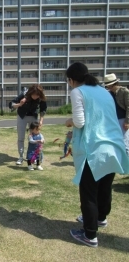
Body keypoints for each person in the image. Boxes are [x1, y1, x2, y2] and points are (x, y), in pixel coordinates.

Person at [65, 62, 129, 248]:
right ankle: (100, 218)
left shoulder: (78, 91)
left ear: (71, 80)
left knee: (89, 192)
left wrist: (69, 121)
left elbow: (79, 121)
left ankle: (89, 234)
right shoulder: (103, 91)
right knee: (104, 187)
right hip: (113, 146)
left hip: (93, 149)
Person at [11, 84, 47, 165]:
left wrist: (41, 121)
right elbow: (12, 104)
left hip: (33, 117)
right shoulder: (24, 94)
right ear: (30, 92)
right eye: (33, 94)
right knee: (21, 137)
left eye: (37, 95)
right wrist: (20, 104)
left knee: (34, 137)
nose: (35, 96)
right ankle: (20, 156)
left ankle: (33, 157)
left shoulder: (41, 98)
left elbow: (43, 110)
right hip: (22, 116)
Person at [103, 73, 129, 154]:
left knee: (125, 142)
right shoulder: (109, 94)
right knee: (115, 142)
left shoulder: (124, 91)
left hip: (123, 120)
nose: (108, 88)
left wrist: (127, 121)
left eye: (108, 86)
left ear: (112, 85)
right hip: (113, 120)